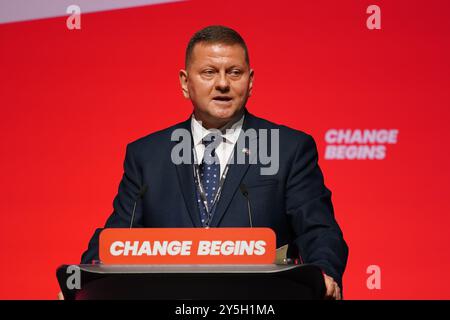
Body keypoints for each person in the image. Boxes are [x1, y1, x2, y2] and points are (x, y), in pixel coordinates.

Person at [81, 25, 348, 300]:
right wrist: (82, 283)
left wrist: (325, 273)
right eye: (209, 72)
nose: (223, 83)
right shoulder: (148, 155)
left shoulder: (287, 149)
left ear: (251, 81)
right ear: (185, 83)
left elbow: (318, 230)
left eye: (234, 72)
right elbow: (117, 237)